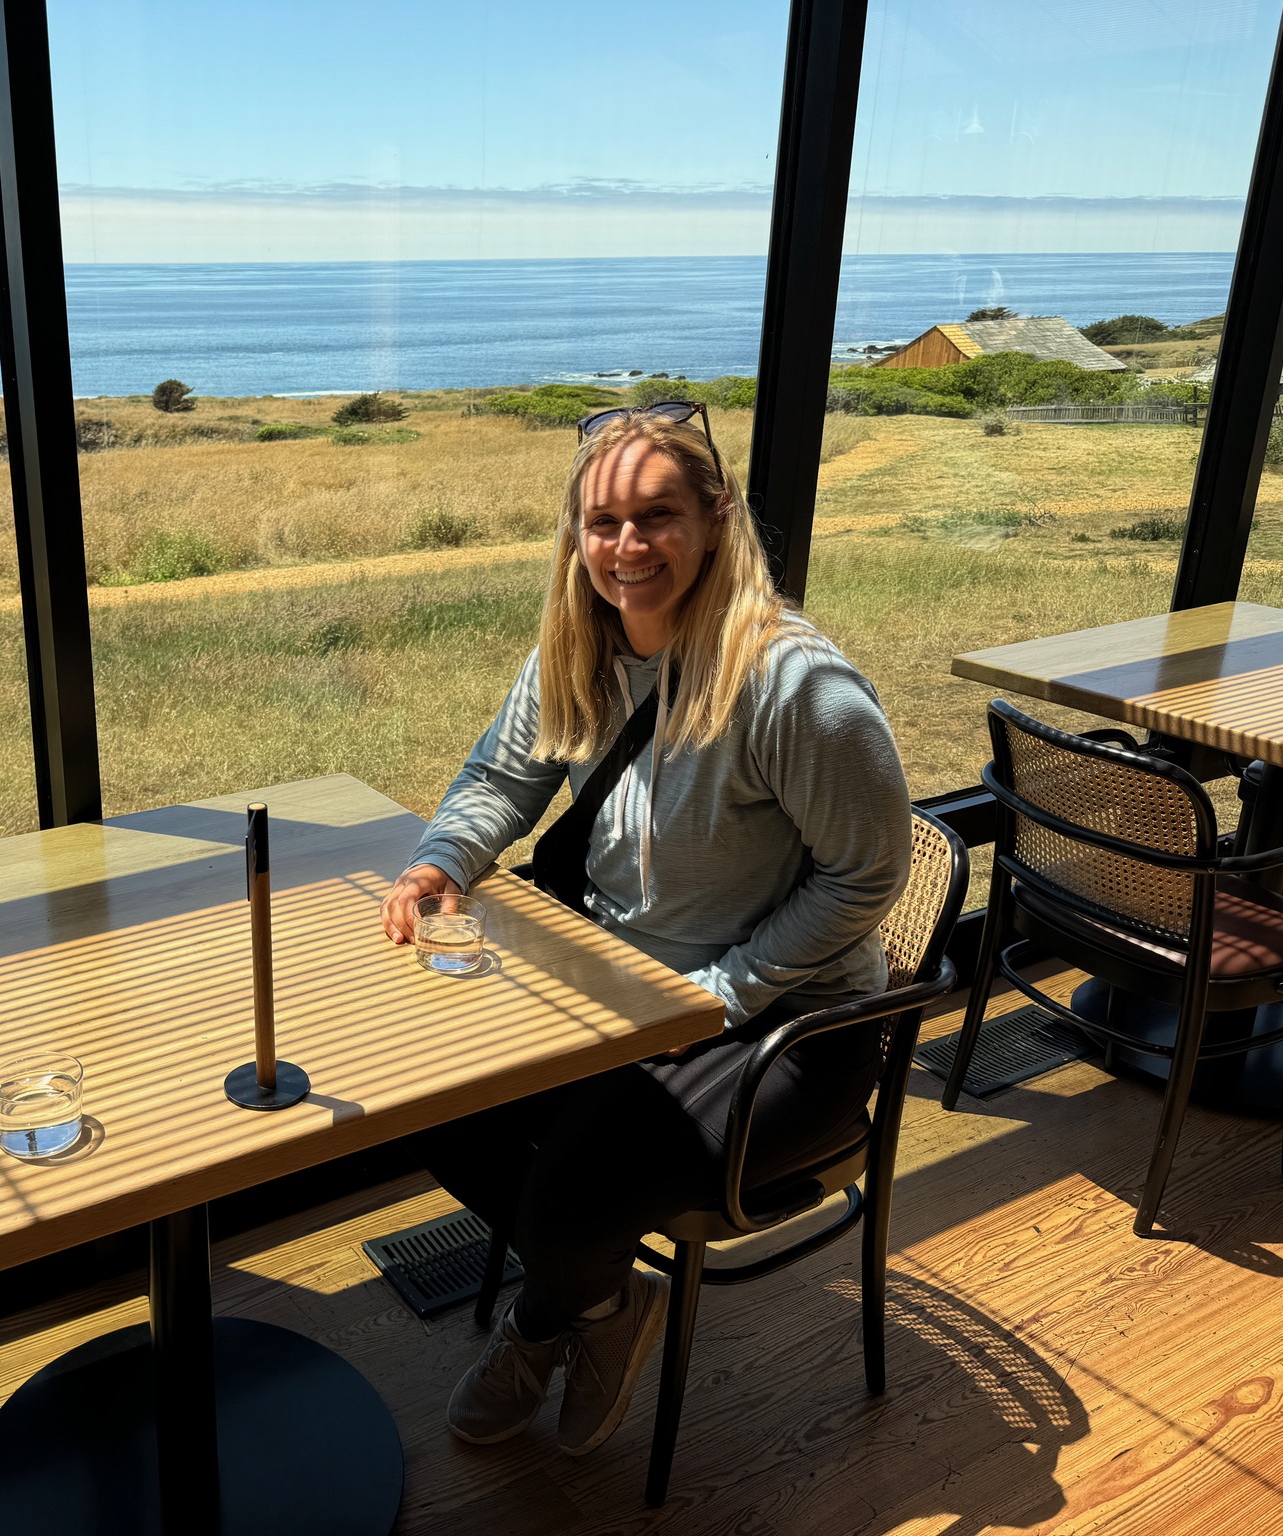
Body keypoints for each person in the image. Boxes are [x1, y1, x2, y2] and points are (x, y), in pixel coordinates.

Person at [381, 402, 910, 1458]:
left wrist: (722, 992)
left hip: (787, 1025)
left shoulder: (793, 687)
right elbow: (502, 776)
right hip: (624, 994)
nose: (627, 547)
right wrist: (442, 860)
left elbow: (868, 873)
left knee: (575, 1189)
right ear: (575, 534)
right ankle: (604, 1305)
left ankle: (546, 1321)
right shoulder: (577, 647)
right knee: (429, 1098)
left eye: (657, 516)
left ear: (716, 519)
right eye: (603, 521)